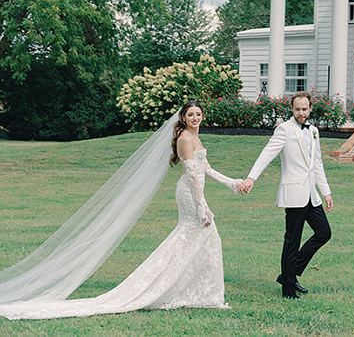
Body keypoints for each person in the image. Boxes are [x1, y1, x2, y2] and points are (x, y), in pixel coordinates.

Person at [0, 101, 242, 320]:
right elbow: (192, 176)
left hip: (196, 191)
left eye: (198, 114)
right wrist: (202, 206)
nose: (195, 118)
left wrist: (232, 183)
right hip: (190, 194)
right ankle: (190, 291)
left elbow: (205, 169)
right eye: (191, 114)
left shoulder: (195, 138)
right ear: (183, 117)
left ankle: (201, 293)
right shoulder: (185, 139)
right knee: (197, 237)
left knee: (203, 240)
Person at [239, 91, 333, 299]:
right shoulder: (284, 130)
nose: (301, 113)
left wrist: (326, 191)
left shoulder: (314, 131)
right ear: (292, 109)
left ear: (310, 109)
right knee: (292, 240)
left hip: (311, 194)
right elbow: (267, 154)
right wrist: (251, 178)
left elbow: (317, 164)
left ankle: (288, 274)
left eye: (304, 109)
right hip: (293, 193)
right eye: (297, 109)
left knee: (324, 232)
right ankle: (288, 290)